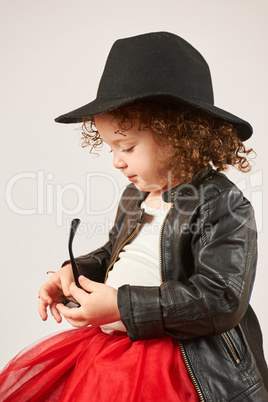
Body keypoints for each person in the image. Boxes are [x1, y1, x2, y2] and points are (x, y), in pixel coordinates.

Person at [0, 31, 267, 401]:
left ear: (179, 136)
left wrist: (120, 305)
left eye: (127, 147)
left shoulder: (223, 203)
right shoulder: (135, 196)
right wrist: (75, 272)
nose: (116, 160)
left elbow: (221, 298)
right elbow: (116, 252)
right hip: (112, 349)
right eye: (110, 147)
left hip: (181, 364)